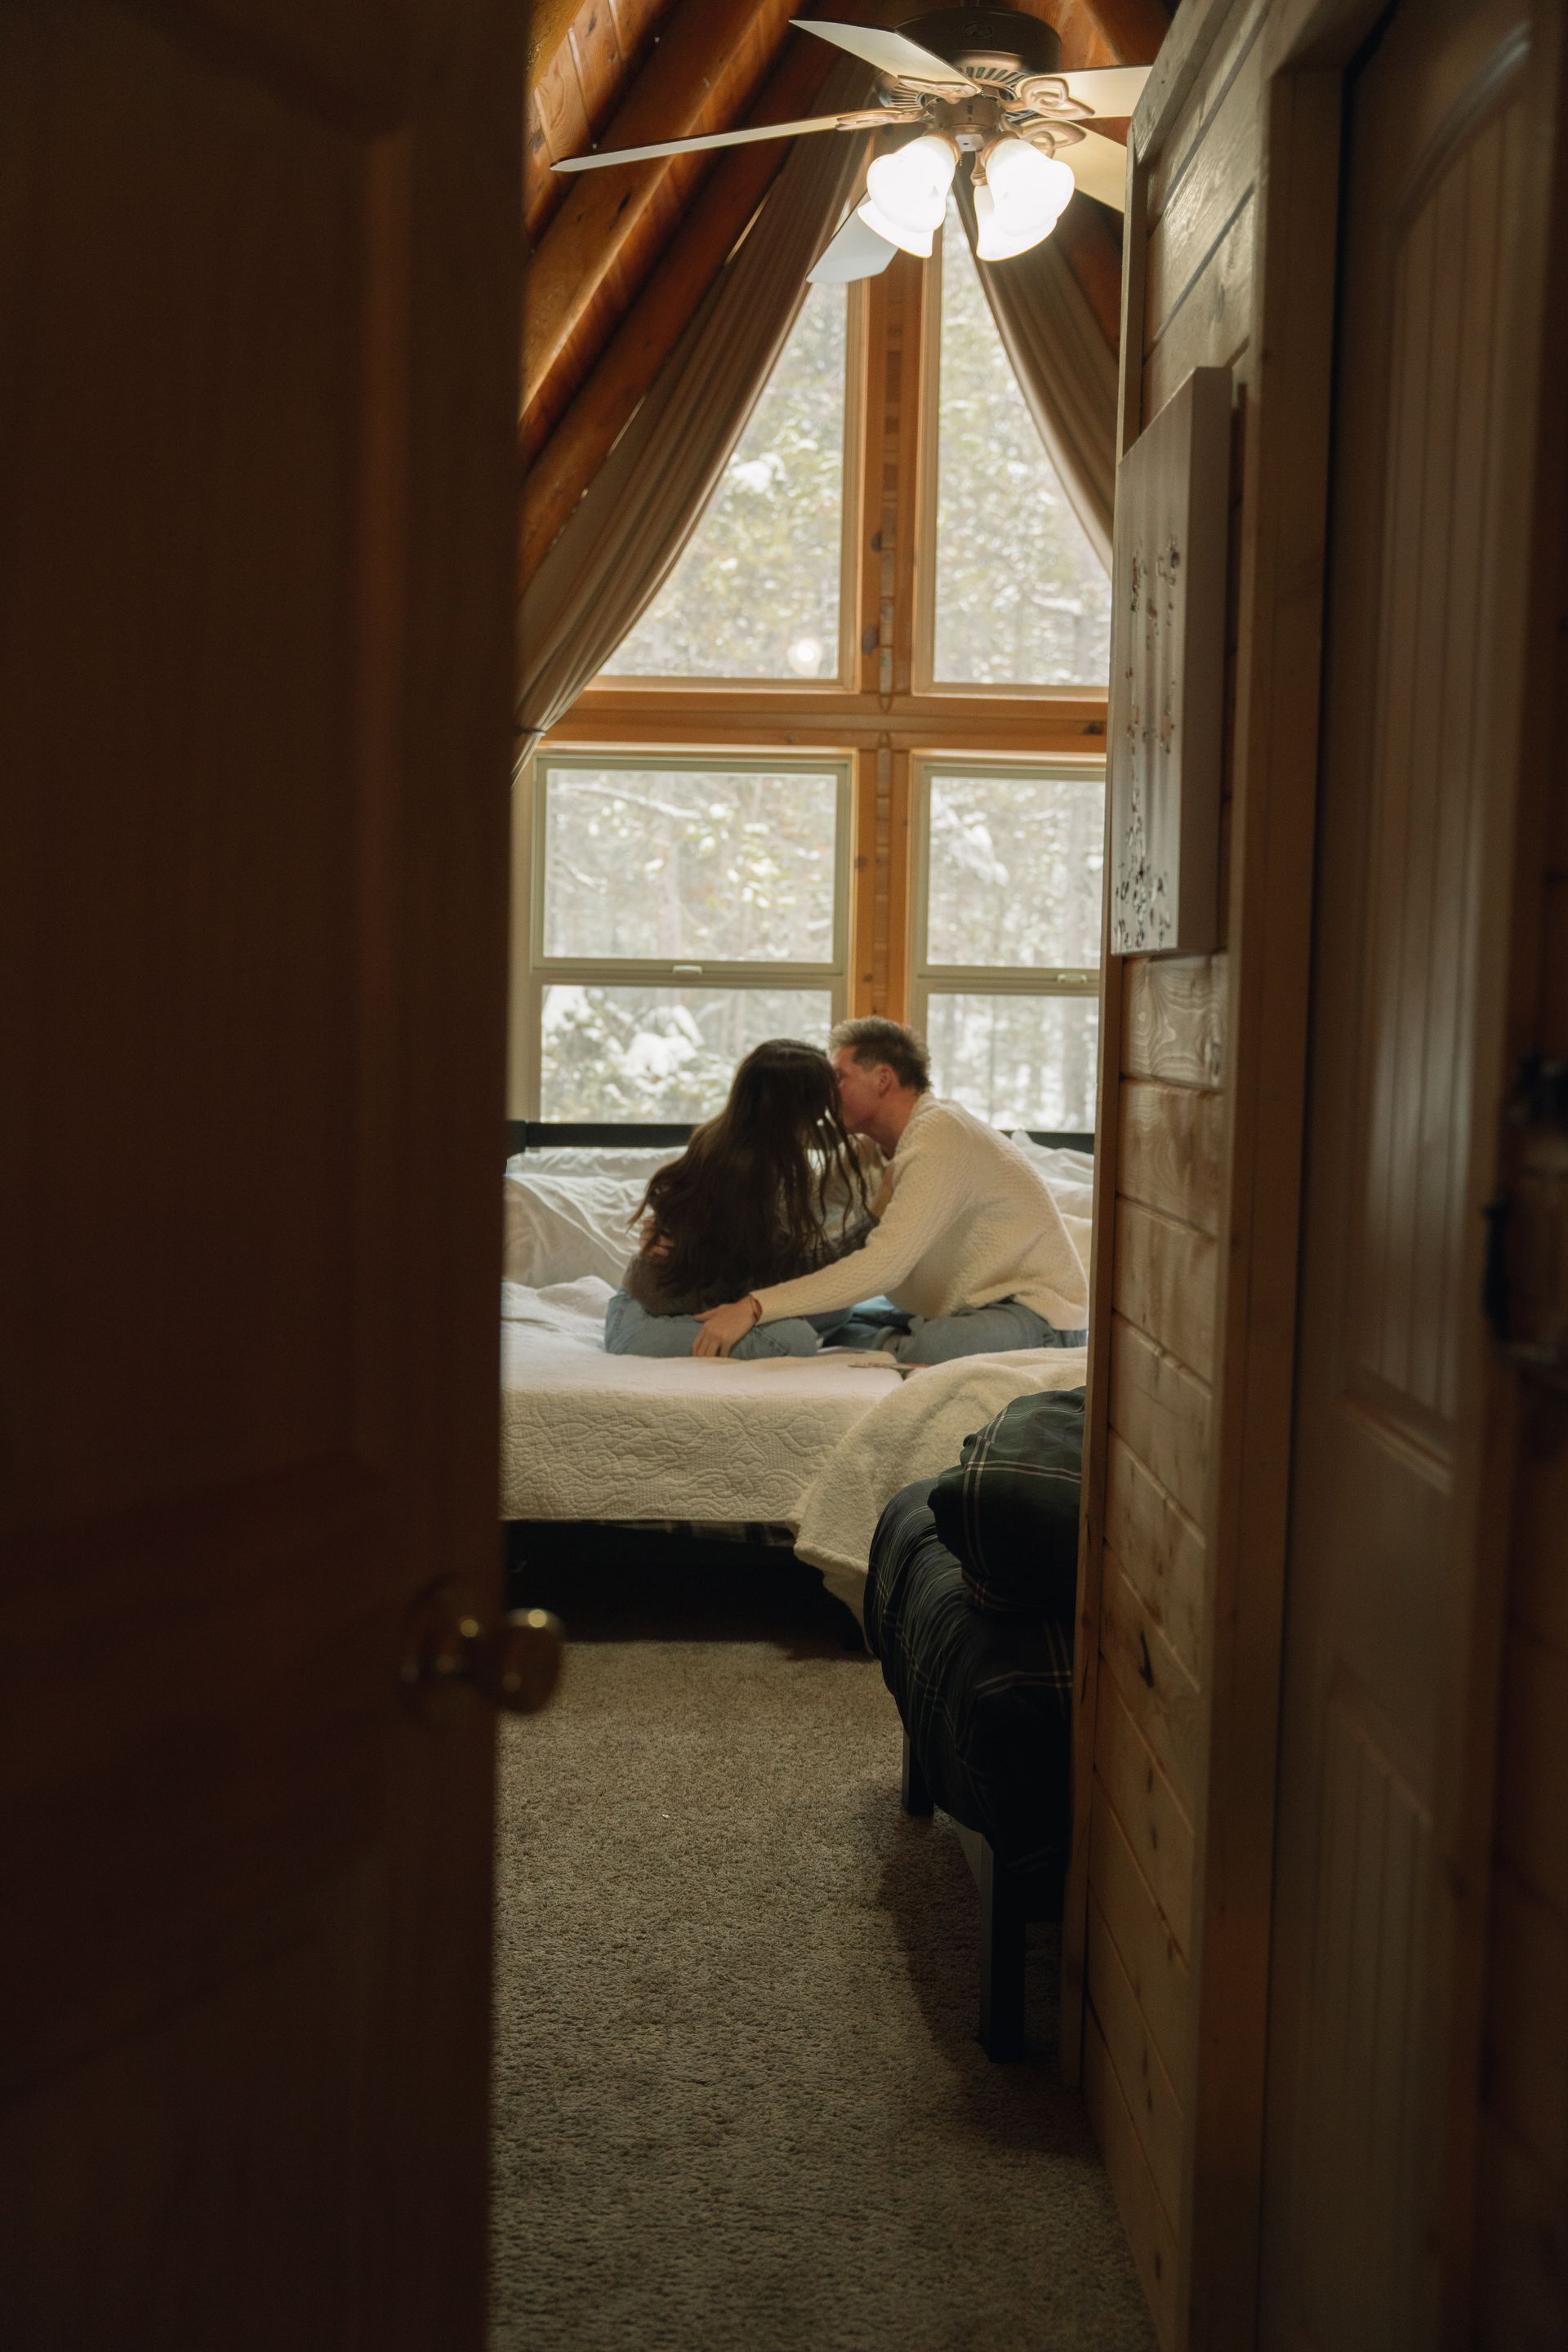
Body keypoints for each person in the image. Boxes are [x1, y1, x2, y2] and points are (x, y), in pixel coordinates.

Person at [693, 1015, 1087, 1365]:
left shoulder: (940, 1134)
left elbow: (883, 1265)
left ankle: (900, 1345)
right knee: (825, 1315)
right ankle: (896, 1344)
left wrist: (756, 1306)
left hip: (1032, 1311)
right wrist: (685, 1226)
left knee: (934, 1349)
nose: (826, 1094)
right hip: (943, 1310)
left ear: (883, 1079)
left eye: (839, 1079)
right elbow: (796, 1207)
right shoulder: (867, 1148)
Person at [604, 1037, 872, 1359]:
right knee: (795, 1338)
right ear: (796, 1103)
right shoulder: (742, 1168)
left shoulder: (756, 1150)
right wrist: (873, 1221)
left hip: (706, 1301)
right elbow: (793, 1270)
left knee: (836, 1308)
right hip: (651, 1322)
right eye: (826, 1087)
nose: (834, 1096)